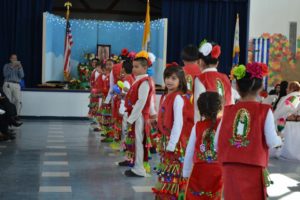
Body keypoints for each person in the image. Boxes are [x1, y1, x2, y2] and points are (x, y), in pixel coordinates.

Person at [215, 63, 282, 200]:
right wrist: (280, 139)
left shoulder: (227, 111)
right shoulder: (265, 110)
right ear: (261, 87)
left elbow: (217, 141)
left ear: (237, 87)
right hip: (254, 167)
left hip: (230, 166)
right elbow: (271, 141)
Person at [152, 64, 194, 199]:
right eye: (167, 77)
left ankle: (173, 196)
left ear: (180, 81)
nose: (169, 81)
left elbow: (178, 123)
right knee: (167, 169)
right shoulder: (165, 96)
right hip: (166, 139)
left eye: (173, 78)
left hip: (175, 143)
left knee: (174, 171)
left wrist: (172, 144)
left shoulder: (177, 98)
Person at [183, 91, 223, 200]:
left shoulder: (197, 126)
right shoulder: (224, 124)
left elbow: (189, 152)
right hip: (219, 169)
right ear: (220, 107)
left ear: (201, 110)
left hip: (199, 170)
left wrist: (186, 173)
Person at [123, 51, 155, 177]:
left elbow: (141, 102)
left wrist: (131, 118)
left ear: (145, 67)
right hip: (137, 115)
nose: (134, 69)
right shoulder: (139, 80)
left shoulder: (145, 82)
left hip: (140, 116)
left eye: (137, 67)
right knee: (137, 141)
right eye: (133, 66)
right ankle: (137, 166)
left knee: (139, 141)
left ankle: (139, 168)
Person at [194, 40, 233, 122]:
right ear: (217, 63)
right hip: (225, 123)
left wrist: (197, 127)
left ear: (200, 62)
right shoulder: (225, 77)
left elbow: (198, 108)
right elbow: (231, 102)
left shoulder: (201, 78)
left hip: (208, 124)